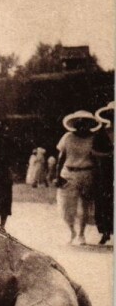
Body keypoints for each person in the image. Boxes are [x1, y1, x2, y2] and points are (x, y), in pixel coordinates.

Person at [56, 110, 100, 245]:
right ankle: (71, 231)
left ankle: (81, 234)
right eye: (80, 123)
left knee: (84, 206)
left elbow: (97, 159)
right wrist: (57, 176)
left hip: (87, 173)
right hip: (69, 174)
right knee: (65, 207)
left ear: (89, 124)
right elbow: (61, 157)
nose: (82, 125)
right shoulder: (67, 137)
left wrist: (97, 178)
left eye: (85, 123)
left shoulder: (94, 138)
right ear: (75, 124)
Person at [93, 103, 114, 244]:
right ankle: (106, 231)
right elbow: (94, 151)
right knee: (105, 200)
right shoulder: (101, 133)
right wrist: (109, 154)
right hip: (107, 169)